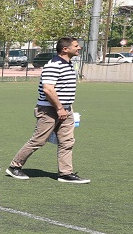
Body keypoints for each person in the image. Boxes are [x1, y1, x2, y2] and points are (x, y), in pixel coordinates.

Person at [7, 36, 88, 184]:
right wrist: (59, 108)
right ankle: (14, 166)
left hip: (65, 109)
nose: (79, 48)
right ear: (65, 49)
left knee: (67, 142)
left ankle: (65, 173)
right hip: (49, 110)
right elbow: (48, 89)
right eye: (76, 46)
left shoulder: (69, 64)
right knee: (38, 140)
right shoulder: (54, 65)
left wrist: (68, 108)